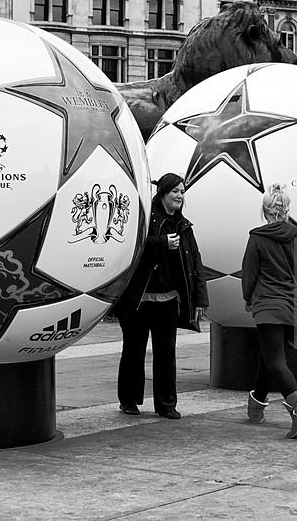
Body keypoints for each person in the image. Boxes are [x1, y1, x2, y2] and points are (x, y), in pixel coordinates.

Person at [115, 173, 208, 419]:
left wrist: (200, 299)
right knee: (133, 351)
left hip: (168, 300)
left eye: (182, 191)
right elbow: (131, 245)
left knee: (166, 353)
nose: (180, 196)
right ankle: (129, 400)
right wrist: (161, 244)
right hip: (139, 299)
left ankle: (166, 404)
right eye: (175, 191)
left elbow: (195, 263)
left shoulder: (183, 225)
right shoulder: (145, 218)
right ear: (163, 193)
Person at [242, 183, 297, 439]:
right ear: (286, 210)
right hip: (291, 308)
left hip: (267, 306)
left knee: (275, 361)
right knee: (268, 356)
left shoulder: (258, 238)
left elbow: (249, 274)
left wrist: (247, 298)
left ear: (265, 211)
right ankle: (255, 407)